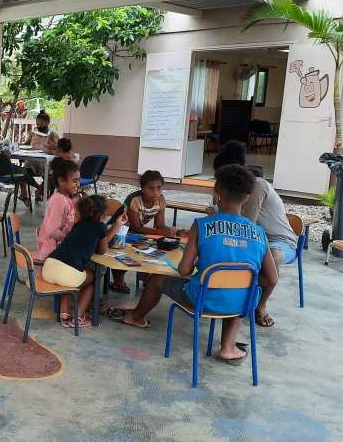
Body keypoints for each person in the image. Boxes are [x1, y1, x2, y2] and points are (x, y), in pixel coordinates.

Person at [108, 165, 278, 365]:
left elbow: (184, 270)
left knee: (157, 279)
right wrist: (242, 281)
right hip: (244, 303)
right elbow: (271, 279)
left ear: (217, 193)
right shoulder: (259, 233)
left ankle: (137, 316)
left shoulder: (202, 225)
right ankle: (228, 347)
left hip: (203, 299)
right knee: (239, 291)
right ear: (247, 197)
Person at [213, 147, 294, 328]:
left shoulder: (256, 186)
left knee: (271, 255)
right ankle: (233, 294)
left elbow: (244, 225)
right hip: (256, 238)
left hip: (280, 242)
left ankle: (260, 305)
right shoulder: (234, 191)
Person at [43, 195, 127, 328]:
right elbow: (102, 250)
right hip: (66, 274)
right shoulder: (100, 227)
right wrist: (116, 226)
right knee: (92, 279)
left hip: (48, 268)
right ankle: (78, 316)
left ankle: (64, 313)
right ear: (101, 215)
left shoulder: (78, 225)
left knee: (67, 280)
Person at [110, 170, 183, 293]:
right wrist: (162, 232)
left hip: (134, 234)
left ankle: (145, 275)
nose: (155, 192)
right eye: (150, 188)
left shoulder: (161, 200)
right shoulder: (134, 199)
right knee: (124, 254)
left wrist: (176, 232)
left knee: (151, 248)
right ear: (142, 188)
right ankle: (118, 281)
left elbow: (159, 225)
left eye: (159, 188)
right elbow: (136, 228)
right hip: (118, 232)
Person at [0, 125, 37, 210]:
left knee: (22, 172)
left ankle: (25, 195)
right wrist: (7, 156)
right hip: (8, 176)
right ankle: (38, 189)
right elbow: (6, 166)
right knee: (25, 172)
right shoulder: (2, 156)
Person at [34, 158, 81, 262]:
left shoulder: (65, 198)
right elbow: (51, 229)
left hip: (56, 250)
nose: (78, 184)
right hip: (50, 253)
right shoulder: (60, 201)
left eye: (79, 180)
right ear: (61, 181)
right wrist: (66, 239)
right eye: (74, 181)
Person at [25, 111, 59, 201]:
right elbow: (25, 145)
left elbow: (58, 149)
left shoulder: (53, 134)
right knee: (23, 173)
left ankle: (41, 192)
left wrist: (49, 141)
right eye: (37, 124)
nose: (39, 126)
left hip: (46, 162)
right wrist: (28, 139)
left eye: (41, 124)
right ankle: (39, 189)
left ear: (47, 123)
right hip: (32, 162)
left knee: (51, 176)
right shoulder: (34, 133)